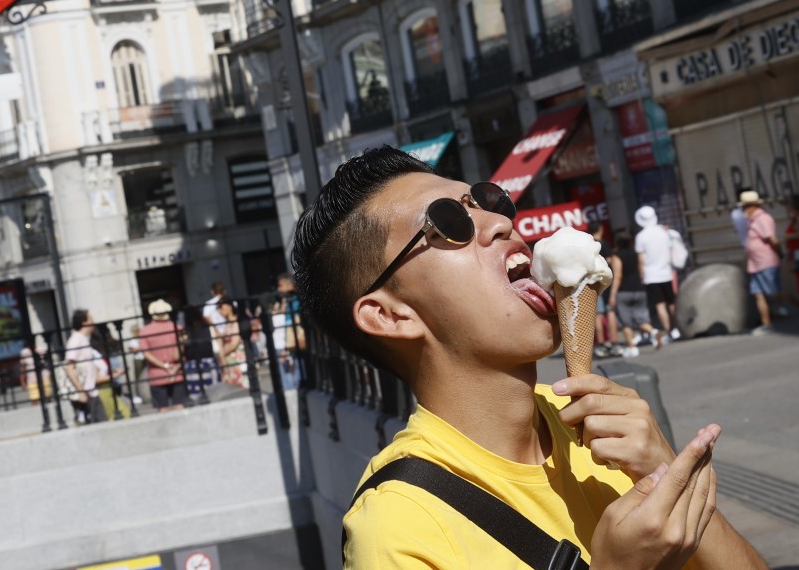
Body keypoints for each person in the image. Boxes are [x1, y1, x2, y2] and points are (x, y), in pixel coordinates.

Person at [291, 146, 764, 568]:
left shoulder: (605, 432)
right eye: (449, 222)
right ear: (389, 316)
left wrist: (666, 473)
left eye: (488, 200)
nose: (501, 223)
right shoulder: (397, 530)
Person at [740, 190, 783, 336]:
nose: (742, 209)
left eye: (744, 206)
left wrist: (779, 253)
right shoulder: (751, 219)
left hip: (766, 262)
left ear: (752, 205)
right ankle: (767, 323)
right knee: (758, 294)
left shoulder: (763, 218)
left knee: (774, 293)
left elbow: (773, 240)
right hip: (755, 263)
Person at [610, 231, 659, 357]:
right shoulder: (636, 254)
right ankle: (653, 331)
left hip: (624, 291)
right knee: (641, 318)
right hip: (639, 289)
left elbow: (618, 276)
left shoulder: (617, 256)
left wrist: (613, 294)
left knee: (625, 322)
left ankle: (632, 348)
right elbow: (642, 268)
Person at [634, 205, 676, 346]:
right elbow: (670, 251)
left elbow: (641, 260)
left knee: (660, 305)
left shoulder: (640, 237)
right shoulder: (663, 231)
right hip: (666, 272)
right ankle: (676, 327)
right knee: (671, 302)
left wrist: (641, 276)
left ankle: (669, 331)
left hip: (651, 275)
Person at [137, 299, 187, 411]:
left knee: (162, 408)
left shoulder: (145, 331)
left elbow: (146, 354)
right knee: (179, 405)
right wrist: (175, 367)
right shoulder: (177, 328)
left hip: (157, 374)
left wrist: (164, 366)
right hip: (176, 371)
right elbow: (182, 351)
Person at [65, 309, 109, 424]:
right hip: (86, 393)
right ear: (84, 323)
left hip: (91, 391)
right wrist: (81, 391)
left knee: (102, 423)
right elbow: (69, 368)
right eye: (91, 319)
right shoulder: (75, 340)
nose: (93, 322)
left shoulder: (83, 339)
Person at [587, 221, 616, 357]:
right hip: (606, 281)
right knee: (609, 313)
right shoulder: (604, 244)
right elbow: (610, 262)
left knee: (598, 315)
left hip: (593, 282)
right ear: (600, 229)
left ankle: (601, 344)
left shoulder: (588, 245)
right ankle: (612, 341)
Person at [182, 304, 217, 403]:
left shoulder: (186, 332)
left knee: (196, 397)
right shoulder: (206, 327)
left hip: (192, 366)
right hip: (209, 363)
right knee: (213, 395)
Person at [215, 299, 247, 388]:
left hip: (237, 362)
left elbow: (234, 343)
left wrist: (221, 354)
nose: (219, 310)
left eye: (221, 306)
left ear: (229, 306)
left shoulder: (235, 321)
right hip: (230, 362)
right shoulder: (227, 324)